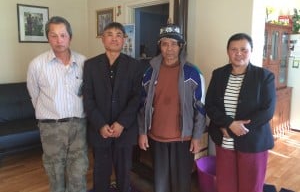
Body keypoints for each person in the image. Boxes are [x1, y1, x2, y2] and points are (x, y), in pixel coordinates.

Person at [138, 24, 206, 192]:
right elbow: (142, 105)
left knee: (181, 184)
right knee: (160, 184)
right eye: (165, 44)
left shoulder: (193, 73)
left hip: (183, 139)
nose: (170, 49)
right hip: (156, 137)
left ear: (180, 46)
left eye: (174, 44)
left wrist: (197, 137)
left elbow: (201, 107)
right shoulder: (149, 72)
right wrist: (142, 132)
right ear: (159, 46)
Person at [205, 33, 276, 192]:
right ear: (228, 51)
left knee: (250, 187)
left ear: (251, 51)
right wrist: (228, 124)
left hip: (253, 142)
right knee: (225, 186)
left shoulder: (264, 77)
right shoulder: (218, 74)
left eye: (244, 49)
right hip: (225, 141)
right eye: (234, 49)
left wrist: (239, 128)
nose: (238, 53)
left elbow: (267, 110)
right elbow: (210, 105)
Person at [27, 16, 88, 192]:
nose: (59, 40)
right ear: (48, 38)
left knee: (78, 171)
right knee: (55, 173)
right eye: (54, 35)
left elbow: (88, 92)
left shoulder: (84, 62)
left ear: (70, 37)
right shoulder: (37, 65)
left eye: (63, 35)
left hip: (79, 126)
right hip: (51, 127)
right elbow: (34, 95)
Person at [83, 22, 142, 192]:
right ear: (103, 39)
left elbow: (136, 97)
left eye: (119, 35)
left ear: (124, 39)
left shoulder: (135, 65)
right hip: (99, 129)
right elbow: (88, 98)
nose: (114, 38)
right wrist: (100, 124)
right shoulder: (91, 65)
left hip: (125, 129)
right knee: (101, 173)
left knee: (124, 173)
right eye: (110, 34)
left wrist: (121, 123)